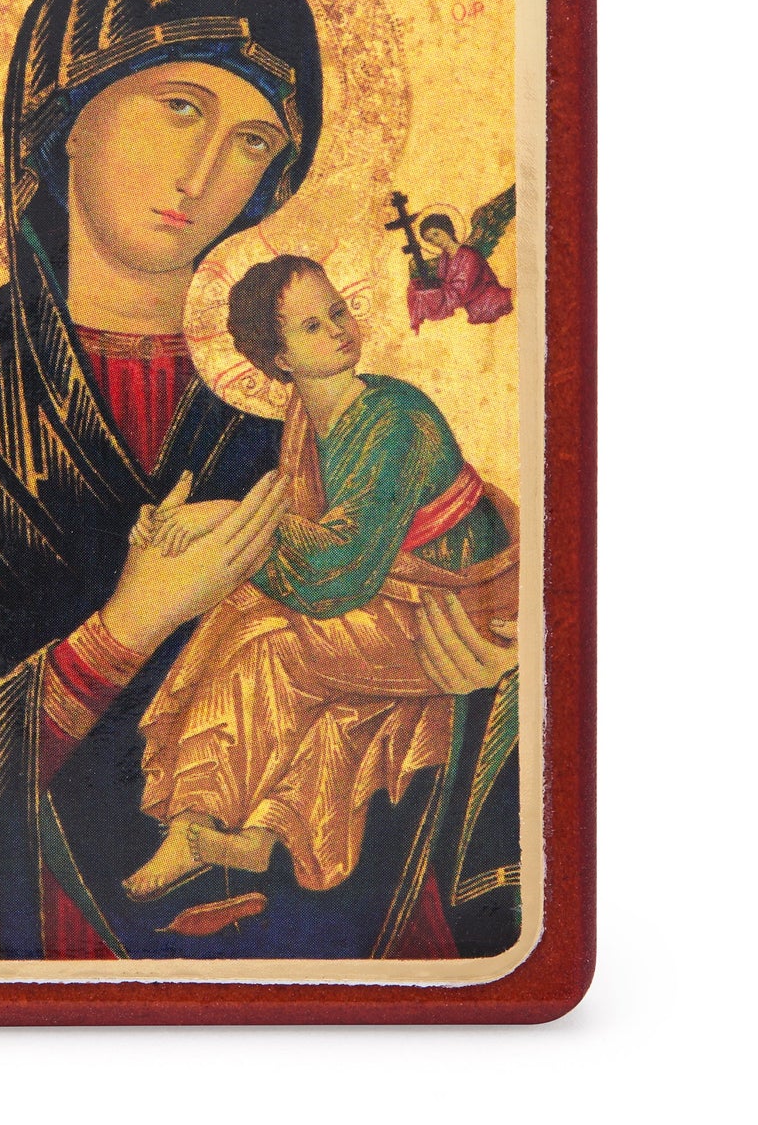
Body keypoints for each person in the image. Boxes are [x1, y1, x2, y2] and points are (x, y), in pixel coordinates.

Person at [0, 0, 522, 963]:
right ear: (63, 117)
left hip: (328, 963)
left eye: (251, 139)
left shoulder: (308, 418)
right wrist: (119, 634)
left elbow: (474, 643)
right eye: (180, 106)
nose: (203, 170)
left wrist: (474, 679)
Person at [124, 257, 518, 901]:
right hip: (391, 592)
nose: (337, 329)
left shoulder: (395, 418)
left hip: (455, 607)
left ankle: (199, 820)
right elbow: (308, 535)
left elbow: (340, 570)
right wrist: (186, 529)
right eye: (312, 326)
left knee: (272, 645)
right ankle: (230, 829)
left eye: (337, 311)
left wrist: (220, 519)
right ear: (280, 359)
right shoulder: (307, 419)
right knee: (239, 613)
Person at [406, 212, 512, 326]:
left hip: (494, 305)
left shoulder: (469, 255)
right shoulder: (444, 259)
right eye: (430, 240)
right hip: (476, 312)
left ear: (447, 230)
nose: (436, 241)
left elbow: (461, 290)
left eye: (436, 234)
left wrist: (431, 295)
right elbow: (443, 284)